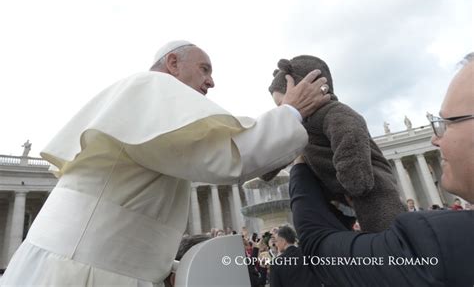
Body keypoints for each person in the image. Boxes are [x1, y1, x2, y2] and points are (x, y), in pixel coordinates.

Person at [1, 41, 330, 286]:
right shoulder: (151, 87)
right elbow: (226, 158)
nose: (212, 81)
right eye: (205, 69)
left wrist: (163, 267)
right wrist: (291, 112)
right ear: (173, 62)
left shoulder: (154, 113)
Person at [289, 53, 474, 286]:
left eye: (448, 123)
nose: (436, 139)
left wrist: (298, 155)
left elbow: (320, 248)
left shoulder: (439, 240)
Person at [265, 55, 405, 232]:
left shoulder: (334, 112)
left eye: (283, 103)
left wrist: (354, 181)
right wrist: (265, 167)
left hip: (367, 182)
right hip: (334, 191)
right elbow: (277, 152)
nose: (282, 110)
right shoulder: (299, 126)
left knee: (384, 221)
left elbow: (350, 135)